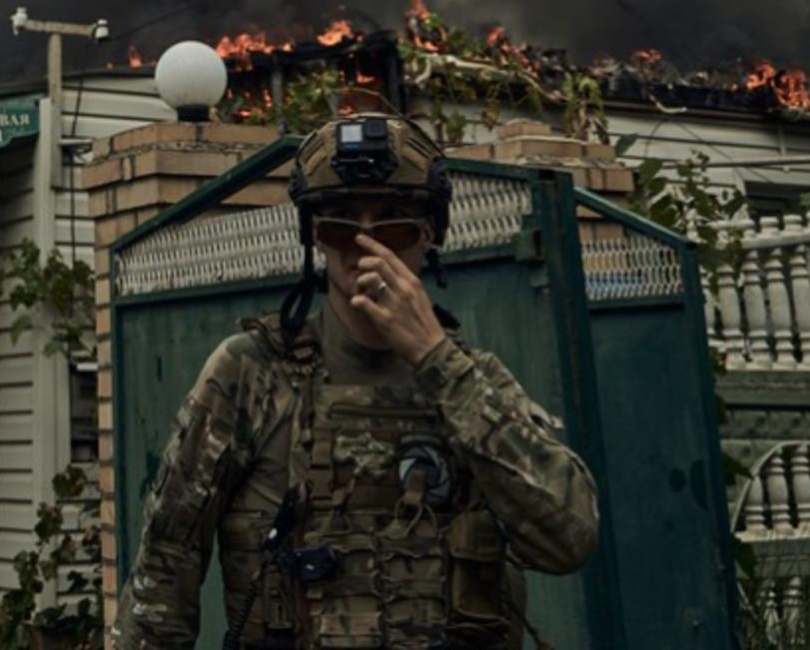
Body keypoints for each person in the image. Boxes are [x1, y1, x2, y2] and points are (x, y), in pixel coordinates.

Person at [111, 113, 599, 650]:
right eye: (341, 226)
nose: (366, 246)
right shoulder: (249, 374)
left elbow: (569, 539)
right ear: (314, 237)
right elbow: (165, 564)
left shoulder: (473, 382)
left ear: (429, 234)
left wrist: (435, 360)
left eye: (393, 226)